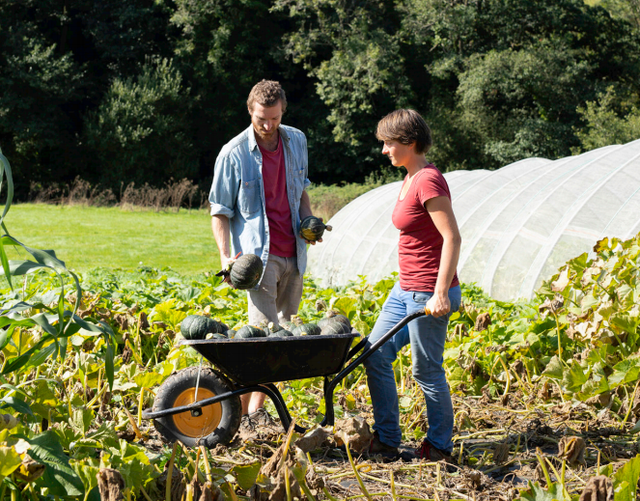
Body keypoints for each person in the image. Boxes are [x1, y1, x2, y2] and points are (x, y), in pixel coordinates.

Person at [209, 79, 319, 416]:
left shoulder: (296, 140)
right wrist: (226, 257)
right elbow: (219, 211)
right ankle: (242, 416)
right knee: (259, 340)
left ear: (283, 110)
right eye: (261, 119)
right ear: (250, 112)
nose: (268, 126)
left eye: (274, 118)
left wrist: (309, 221)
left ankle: (257, 413)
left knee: (283, 341)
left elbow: (301, 189)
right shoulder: (234, 152)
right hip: (259, 259)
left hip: (295, 253)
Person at [363, 109, 462, 461]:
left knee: (426, 370)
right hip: (404, 288)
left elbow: (451, 238)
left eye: (389, 143)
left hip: (428, 292)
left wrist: (439, 293)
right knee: (373, 354)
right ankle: (388, 437)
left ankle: (438, 446)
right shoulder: (409, 177)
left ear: (409, 142)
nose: (384, 149)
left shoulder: (428, 180)